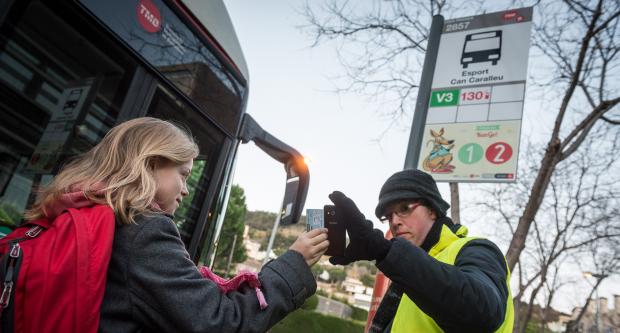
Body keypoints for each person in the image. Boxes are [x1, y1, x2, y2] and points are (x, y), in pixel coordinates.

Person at [25, 117, 329, 332]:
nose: (185, 189)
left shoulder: (80, 210)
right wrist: (294, 264)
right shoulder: (143, 231)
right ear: (151, 163)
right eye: (182, 174)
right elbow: (221, 323)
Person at [328, 169, 513, 333]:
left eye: (404, 209)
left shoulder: (476, 248)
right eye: (388, 216)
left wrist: (383, 251)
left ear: (432, 209)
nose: (395, 222)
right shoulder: (409, 272)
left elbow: (483, 313)